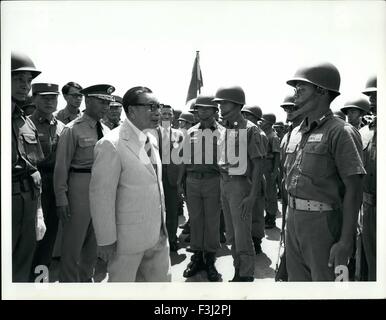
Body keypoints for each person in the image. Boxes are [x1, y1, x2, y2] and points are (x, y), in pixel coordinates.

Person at [284, 62, 365, 281]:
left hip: (323, 224)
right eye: (296, 88)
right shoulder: (296, 132)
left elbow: (354, 189)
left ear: (321, 91)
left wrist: (346, 241)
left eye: (303, 88)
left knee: (326, 286)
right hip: (293, 222)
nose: (296, 93)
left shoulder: (341, 132)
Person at [89, 86, 171, 282]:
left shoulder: (151, 138)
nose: (158, 112)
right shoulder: (111, 144)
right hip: (127, 241)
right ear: (131, 110)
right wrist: (106, 240)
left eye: (158, 106)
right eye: (151, 107)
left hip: (158, 233)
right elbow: (101, 197)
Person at [54, 84, 114, 282]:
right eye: (101, 101)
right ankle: (68, 287)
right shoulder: (72, 130)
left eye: (108, 102)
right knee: (73, 245)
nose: (105, 106)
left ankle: (85, 282)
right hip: (79, 189)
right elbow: (62, 166)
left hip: (101, 191)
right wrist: (61, 198)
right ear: (87, 101)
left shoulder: (106, 130)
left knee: (93, 244)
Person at [214, 85, 266, 281]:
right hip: (225, 183)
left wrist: (252, 196)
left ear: (237, 104)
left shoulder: (252, 130)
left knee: (242, 234)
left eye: (224, 102)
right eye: (219, 103)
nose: (220, 106)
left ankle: (245, 275)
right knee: (232, 234)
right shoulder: (225, 129)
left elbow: (258, 165)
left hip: (240, 184)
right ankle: (238, 270)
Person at [178, 94, 225, 281]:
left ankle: (210, 259)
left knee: (212, 221)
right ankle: (197, 257)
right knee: (195, 220)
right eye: (199, 108)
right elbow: (183, 158)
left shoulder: (223, 132)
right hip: (192, 180)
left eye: (207, 108)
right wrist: (181, 183)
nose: (202, 112)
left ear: (215, 111)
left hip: (214, 180)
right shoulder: (190, 132)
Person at [11, 51, 46, 282]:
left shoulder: (25, 121)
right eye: (18, 80)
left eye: (28, 81)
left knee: (23, 263)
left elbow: (34, 168)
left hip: (28, 200)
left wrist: (39, 211)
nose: (25, 86)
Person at [29, 83, 65, 279]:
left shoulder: (61, 127)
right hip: (35, 183)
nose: (50, 102)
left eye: (53, 98)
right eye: (45, 98)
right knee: (32, 236)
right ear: (34, 99)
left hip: (56, 184)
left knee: (49, 235)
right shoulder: (26, 124)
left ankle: (39, 281)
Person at [241, 104, 268, 254]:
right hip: (244, 178)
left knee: (256, 212)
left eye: (248, 115)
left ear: (256, 119)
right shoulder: (243, 132)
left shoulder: (260, 134)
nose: (244, 117)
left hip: (255, 178)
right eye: (243, 114)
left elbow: (259, 162)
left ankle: (256, 240)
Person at [157, 104, 183, 252]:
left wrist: (180, 180)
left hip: (172, 179)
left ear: (173, 117)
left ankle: (172, 238)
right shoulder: (151, 133)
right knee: (157, 211)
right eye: (164, 114)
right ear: (159, 115)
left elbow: (182, 159)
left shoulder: (179, 135)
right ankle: (158, 239)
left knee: (172, 211)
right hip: (156, 178)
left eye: (169, 114)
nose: (166, 116)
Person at [359, 75, 377, 281]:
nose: (371, 100)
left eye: (377, 96)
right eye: (370, 96)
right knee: (370, 263)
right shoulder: (363, 133)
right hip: (367, 208)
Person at [260, 113, 280, 229]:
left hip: (269, 166)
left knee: (270, 194)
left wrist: (274, 171)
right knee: (264, 193)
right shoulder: (263, 134)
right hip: (263, 165)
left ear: (268, 123)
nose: (261, 123)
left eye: (263, 121)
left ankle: (271, 218)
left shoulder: (273, 136)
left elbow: (277, 155)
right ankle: (267, 215)